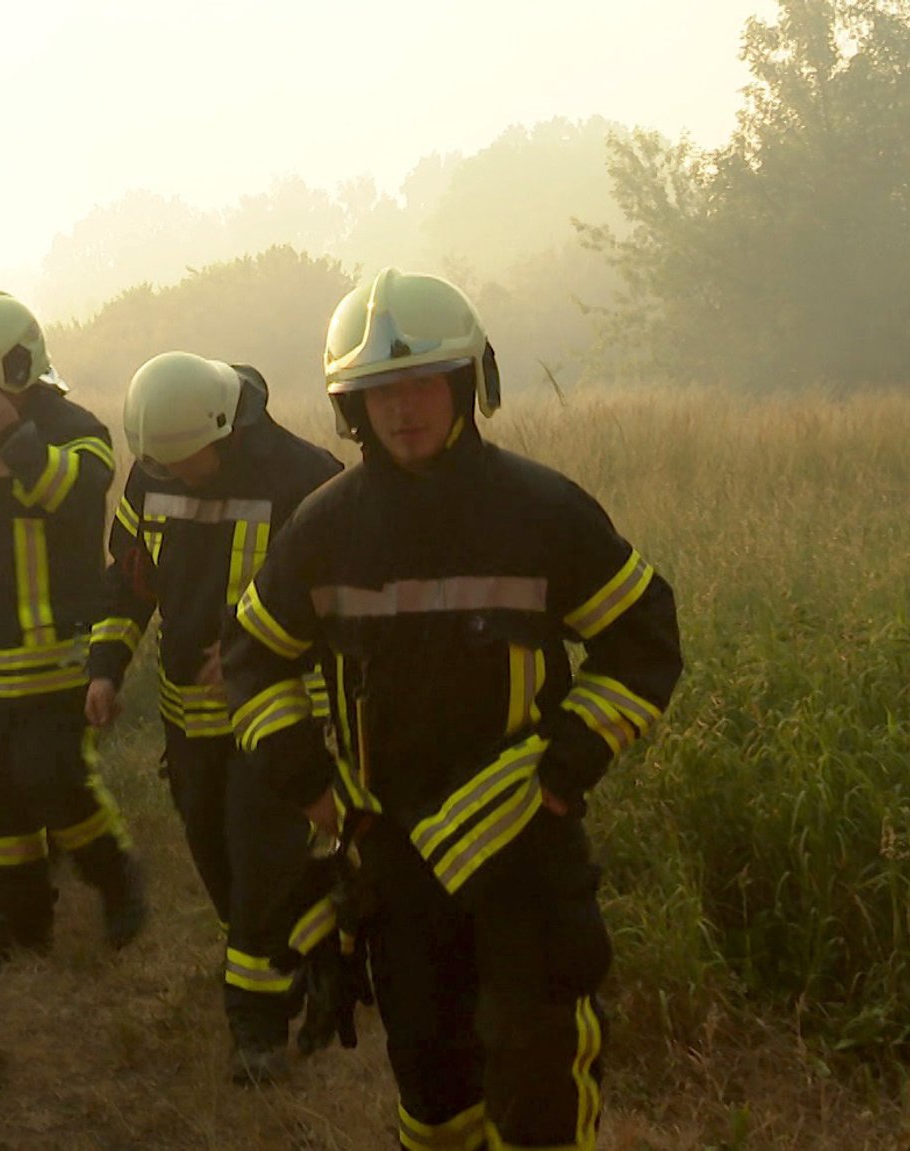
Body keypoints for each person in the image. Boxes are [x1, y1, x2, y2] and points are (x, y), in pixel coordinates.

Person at [217, 269, 683, 1149]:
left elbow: (643, 642)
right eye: (377, 392)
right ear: (351, 408)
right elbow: (252, 657)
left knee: (541, 1067)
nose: (403, 409)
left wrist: (565, 767)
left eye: (424, 381)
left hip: (523, 846)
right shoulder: (323, 528)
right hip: (390, 856)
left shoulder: (543, 510)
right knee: (432, 1090)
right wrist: (312, 784)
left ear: (471, 382)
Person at [86, 352, 342, 1083]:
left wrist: (256, 656)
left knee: (261, 871)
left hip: (282, 715)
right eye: (156, 463)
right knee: (223, 867)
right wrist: (105, 668)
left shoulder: (307, 479)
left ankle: (257, 1036)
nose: (168, 475)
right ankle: (314, 950)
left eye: (181, 461)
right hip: (189, 721)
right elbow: (128, 581)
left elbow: (347, 600)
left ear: (226, 430)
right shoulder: (155, 468)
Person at [0, 289, 146, 964]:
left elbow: (71, 498)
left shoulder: (76, 427)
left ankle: (117, 880)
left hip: (56, 650)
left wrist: (15, 440)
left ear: (12, 365)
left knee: (50, 775)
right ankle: (20, 918)